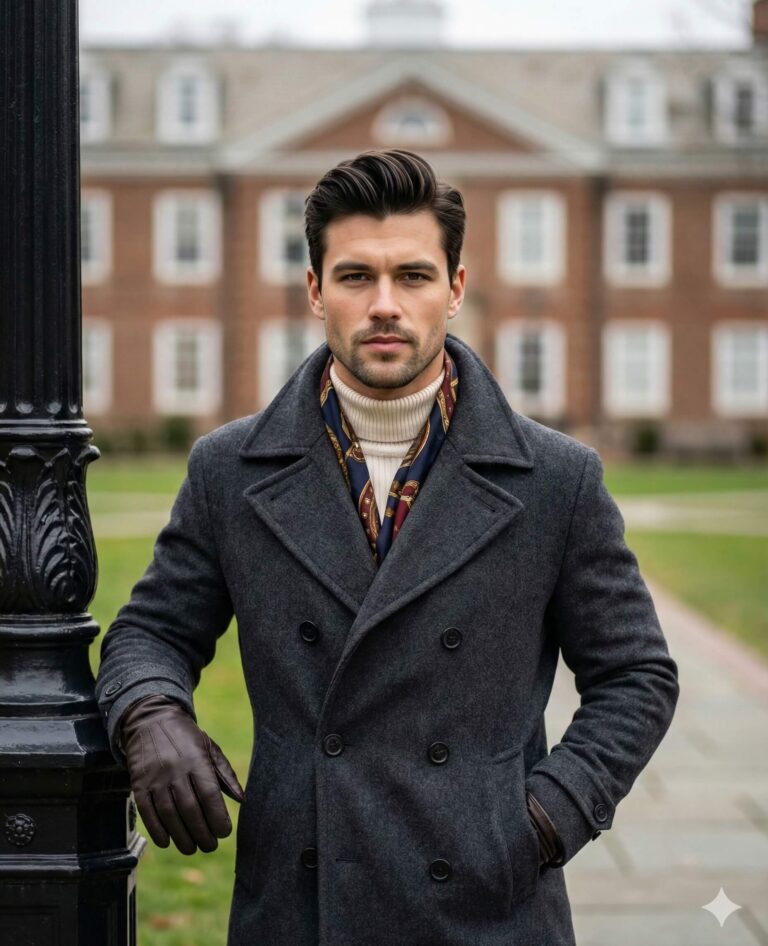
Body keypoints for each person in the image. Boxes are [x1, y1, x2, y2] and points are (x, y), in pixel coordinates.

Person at [95, 148, 680, 946]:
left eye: (411, 276)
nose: (384, 305)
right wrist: (150, 712)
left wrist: (544, 819)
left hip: (489, 905)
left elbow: (636, 674)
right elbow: (151, 631)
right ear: (314, 292)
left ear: (455, 289)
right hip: (300, 904)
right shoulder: (230, 470)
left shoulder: (555, 479)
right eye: (355, 277)